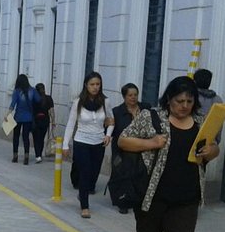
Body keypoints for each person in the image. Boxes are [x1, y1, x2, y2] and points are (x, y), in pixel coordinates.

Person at [119, 75, 221, 232]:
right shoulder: (151, 117)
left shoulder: (201, 122)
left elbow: (214, 147)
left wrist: (211, 151)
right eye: (179, 101)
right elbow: (124, 141)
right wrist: (152, 143)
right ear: (169, 99)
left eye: (189, 101)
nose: (184, 106)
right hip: (153, 194)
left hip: (187, 197)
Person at [63, 71, 113, 217]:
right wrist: (65, 144)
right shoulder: (78, 102)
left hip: (99, 142)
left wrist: (108, 135)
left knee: (93, 174)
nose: (95, 87)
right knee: (84, 172)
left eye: (98, 84)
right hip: (82, 141)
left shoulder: (105, 102)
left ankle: (82, 193)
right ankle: (84, 206)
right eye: (92, 84)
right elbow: (71, 123)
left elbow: (111, 121)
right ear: (86, 85)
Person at [110, 83, 150, 213]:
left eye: (135, 95)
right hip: (123, 149)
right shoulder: (117, 112)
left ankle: (138, 200)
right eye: (130, 95)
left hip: (142, 147)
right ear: (124, 97)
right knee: (123, 174)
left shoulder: (146, 109)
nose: (133, 97)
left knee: (140, 175)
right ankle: (123, 202)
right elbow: (112, 131)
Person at [7, 74, 41, 165]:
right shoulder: (32, 91)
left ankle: (15, 156)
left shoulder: (17, 92)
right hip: (28, 118)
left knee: (16, 137)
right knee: (26, 137)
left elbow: (12, 105)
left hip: (18, 117)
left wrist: (7, 115)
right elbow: (38, 100)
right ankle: (26, 157)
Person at [32, 82, 55, 163]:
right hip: (45, 120)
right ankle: (40, 154)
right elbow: (51, 111)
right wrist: (53, 121)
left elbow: (31, 110)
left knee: (36, 138)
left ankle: (37, 155)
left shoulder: (34, 99)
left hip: (36, 120)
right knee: (41, 138)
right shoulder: (49, 98)